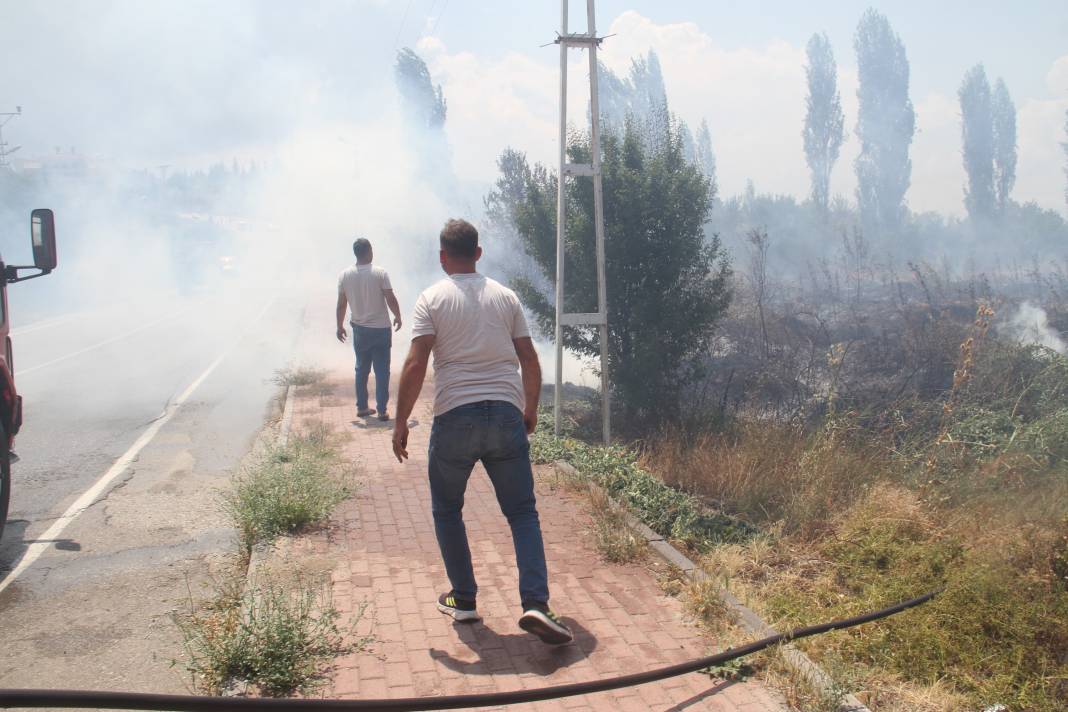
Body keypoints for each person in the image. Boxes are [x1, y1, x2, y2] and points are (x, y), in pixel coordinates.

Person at [391, 218, 573, 645]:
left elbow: (417, 364)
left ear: (442, 257)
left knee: (447, 509)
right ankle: (535, 604)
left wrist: (400, 422)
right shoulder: (505, 297)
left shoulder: (431, 298)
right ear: (478, 252)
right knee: (522, 513)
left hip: (455, 416)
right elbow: (528, 358)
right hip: (506, 414)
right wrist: (529, 409)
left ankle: (464, 598)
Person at [336, 237, 402, 420]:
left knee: (361, 369)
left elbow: (341, 304)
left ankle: (362, 408)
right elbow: (390, 297)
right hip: (381, 329)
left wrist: (339, 326)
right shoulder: (380, 273)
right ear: (369, 251)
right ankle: (382, 410)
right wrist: (398, 315)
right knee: (382, 371)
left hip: (359, 330)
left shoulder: (345, 275)